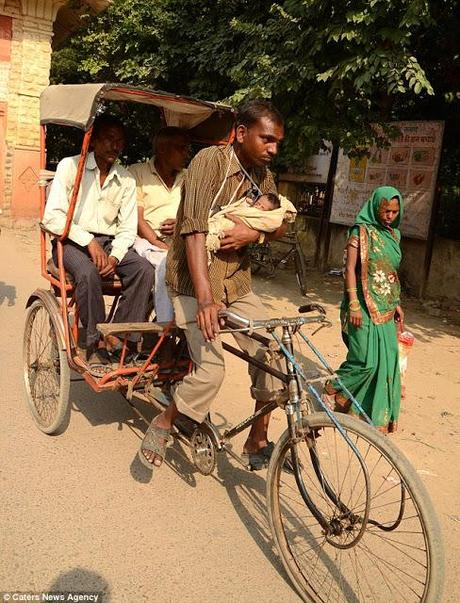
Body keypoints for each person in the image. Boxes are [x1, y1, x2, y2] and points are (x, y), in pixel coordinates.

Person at [139, 99, 289, 469]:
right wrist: (205, 300)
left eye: (277, 142)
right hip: (193, 283)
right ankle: (166, 419)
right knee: (211, 369)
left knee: (273, 352)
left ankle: (257, 440)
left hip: (236, 284)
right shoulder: (209, 163)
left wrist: (251, 234)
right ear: (240, 134)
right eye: (266, 139)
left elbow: (283, 222)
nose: (273, 149)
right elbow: (193, 231)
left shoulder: (263, 176)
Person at [42, 114, 155, 376]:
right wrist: (88, 241)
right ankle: (93, 342)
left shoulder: (126, 179)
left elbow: (127, 228)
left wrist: (115, 257)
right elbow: (53, 217)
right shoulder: (71, 167)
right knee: (87, 273)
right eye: (109, 139)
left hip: (109, 242)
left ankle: (119, 336)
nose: (115, 146)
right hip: (70, 240)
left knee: (144, 270)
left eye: (120, 142)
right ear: (93, 140)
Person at [323, 186, 405, 433]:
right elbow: (349, 270)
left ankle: (366, 413)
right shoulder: (359, 232)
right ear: (376, 206)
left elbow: (388, 273)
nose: (389, 215)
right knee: (364, 361)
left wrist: (396, 303)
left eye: (394, 211)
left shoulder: (394, 235)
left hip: (386, 305)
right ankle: (329, 389)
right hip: (360, 303)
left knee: (386, 360)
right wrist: (354, 304)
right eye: (386, 210)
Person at [129, 127, 190, 323]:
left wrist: (180, 224)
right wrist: (158, 242)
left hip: (180, 240)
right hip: (145, 241)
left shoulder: (188, 177)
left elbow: (198, 212)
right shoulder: (136, 173)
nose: (186, 154)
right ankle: (164, 326)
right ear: (163, 150)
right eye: (181, 148)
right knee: (167, 265)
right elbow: (137, 219)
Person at [205, 192, 296, 256]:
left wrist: (256, 235)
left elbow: (280, 226)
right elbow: (244, 205)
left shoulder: (265, 178)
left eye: (262, 207)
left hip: (237, 265)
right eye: (258, 203)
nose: (258, 206)